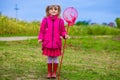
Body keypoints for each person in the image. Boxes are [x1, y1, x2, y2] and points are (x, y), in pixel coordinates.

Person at [38, 5, 69, 79]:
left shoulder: (60, 21)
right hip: (47, 43)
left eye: (55, 9)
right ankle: (49, 72)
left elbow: (62, 31)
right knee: (49, 58)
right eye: (51, 9)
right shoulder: (45, 20)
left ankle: (54, 73)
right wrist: (40, 38)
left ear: (58, 11)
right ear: (48, 11)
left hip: (56, 43)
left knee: (55, 58)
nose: (53, 10)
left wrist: (65, 35)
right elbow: (42, 31)